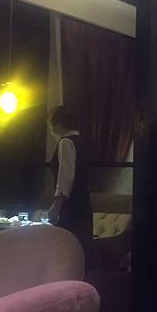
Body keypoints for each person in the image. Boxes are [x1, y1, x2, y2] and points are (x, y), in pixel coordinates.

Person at [47, 106, 94, 270]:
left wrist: (56, 205)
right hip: (83, 203)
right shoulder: (83, 142)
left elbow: (66, 176)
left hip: (71, 206)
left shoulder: (66, 142)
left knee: (65, 249)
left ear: (58, 123)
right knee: (80, 249)